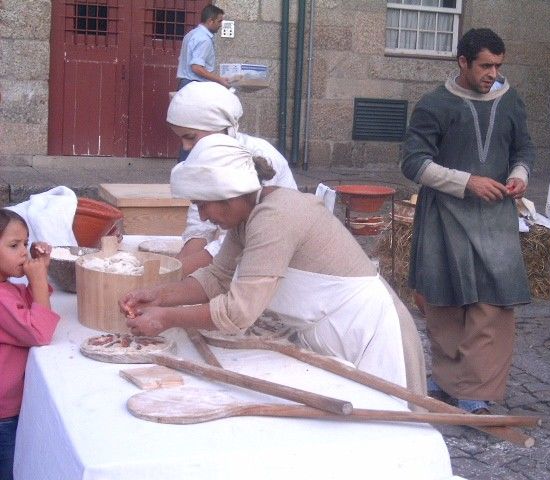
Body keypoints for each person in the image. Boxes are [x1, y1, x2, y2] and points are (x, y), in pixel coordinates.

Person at [120, 134, 427, 398]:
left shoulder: (275, 217)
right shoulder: (248, 216)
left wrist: (167, 318)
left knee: (380, 440)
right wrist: (158, 296)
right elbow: (216, 277)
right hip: (330, 330)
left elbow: (238, 312)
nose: (201, 218)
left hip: (368, 334)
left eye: (203, 205)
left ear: (230, 195)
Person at [401, 28, 535, 414]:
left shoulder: (510, 102)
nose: (493, 73)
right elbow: (413, 163)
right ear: (463, 62)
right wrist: (466, 182)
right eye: (485, 65)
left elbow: (524, 146)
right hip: (445, 214)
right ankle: (446, 381)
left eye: (498, 65)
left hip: (495, 217)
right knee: (443, 301)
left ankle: (476, 389)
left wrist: (520, 174)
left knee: (492, 303)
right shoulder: (434, 104)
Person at [166, 80, 298, 275]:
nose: (185, 147)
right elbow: (199, 228)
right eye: (181, 138)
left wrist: (171, 277)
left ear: (220, 127)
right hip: (231, 260)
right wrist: (171, 271)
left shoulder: (259, 158)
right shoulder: (202, 162)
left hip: (272, 264)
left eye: (191, 137)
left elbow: (229, 246)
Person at [0, 210, 60, 479]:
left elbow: (27, 305)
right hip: (4, 412)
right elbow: (39, 332)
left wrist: (39, 272)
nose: (24, 252)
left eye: (25, 243)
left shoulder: (7, 286)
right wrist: (37, 280)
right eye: (14, 245)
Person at [176, 5, 230, 90]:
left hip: (185, 84)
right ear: (210, 21)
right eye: (219, 21)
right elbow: (196, 68)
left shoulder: (191, 34)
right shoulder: (204, 39)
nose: (220, 25)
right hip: (195, 86)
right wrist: (220, 79)